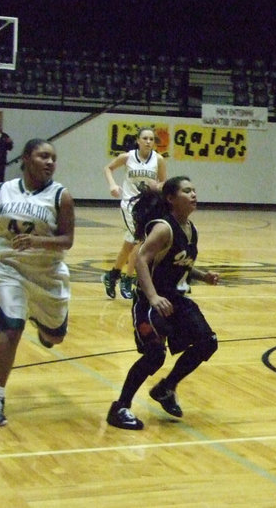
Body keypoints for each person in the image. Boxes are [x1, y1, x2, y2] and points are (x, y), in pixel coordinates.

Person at [0, 139, 75, 426]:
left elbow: (67, 241)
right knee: (10, 329)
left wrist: (37, 240)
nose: (50, 162)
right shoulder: (2, 189)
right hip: (8, 268)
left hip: (46, 273)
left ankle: (41, 322)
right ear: (26, 158)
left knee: (55, 338)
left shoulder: (61, 196)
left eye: (53, 158)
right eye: (43, 156)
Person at [107, 176, 220, 430]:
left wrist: (203, 275)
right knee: (155, 354)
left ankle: (166, 388)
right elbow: (141, 261)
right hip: (150, 300)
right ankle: (120, 407)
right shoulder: (163, 228)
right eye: (187, 190)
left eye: (194, 190)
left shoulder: (190, 228)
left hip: (175, 299)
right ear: (171, 199)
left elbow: (178, 263)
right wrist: (153, 296)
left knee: (207, 342)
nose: (193, 194)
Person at [102, 127, 167, 299]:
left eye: (151, 139)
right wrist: (113, 185)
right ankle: (128, 279)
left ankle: (113, 275)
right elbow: (108, 168)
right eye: (145, 138)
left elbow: (163, 182)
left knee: (128, 245)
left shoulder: (158, 159)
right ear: (138, 140)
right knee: (140, 241)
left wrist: (157, 187)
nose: (148, 141)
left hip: (147, 206)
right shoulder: (128, 156)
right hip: (129, 205)